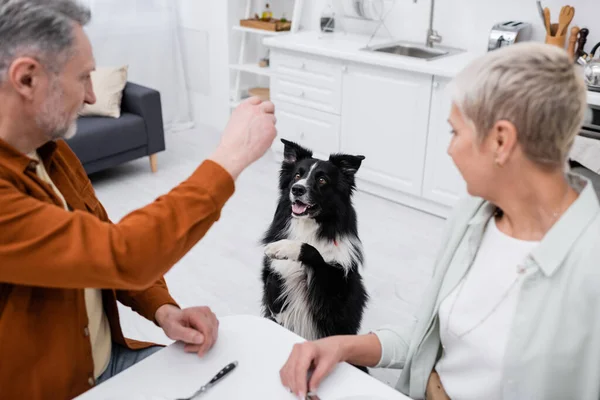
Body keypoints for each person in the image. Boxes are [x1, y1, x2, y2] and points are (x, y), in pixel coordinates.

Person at [279, 43, 600, 400]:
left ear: (501, 140)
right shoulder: (472, 216)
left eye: (455, 132)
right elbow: (430, 334)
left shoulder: (589, 270)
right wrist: (340, 347)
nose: (449, 149)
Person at [0, 0, 276, 399]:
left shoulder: (49, 148)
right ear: (26, 79)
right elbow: (121, 254)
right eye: (83, 77)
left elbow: (98, 247)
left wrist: (163, 309)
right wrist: (230, 158)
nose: (93, 96)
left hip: (107, 360)